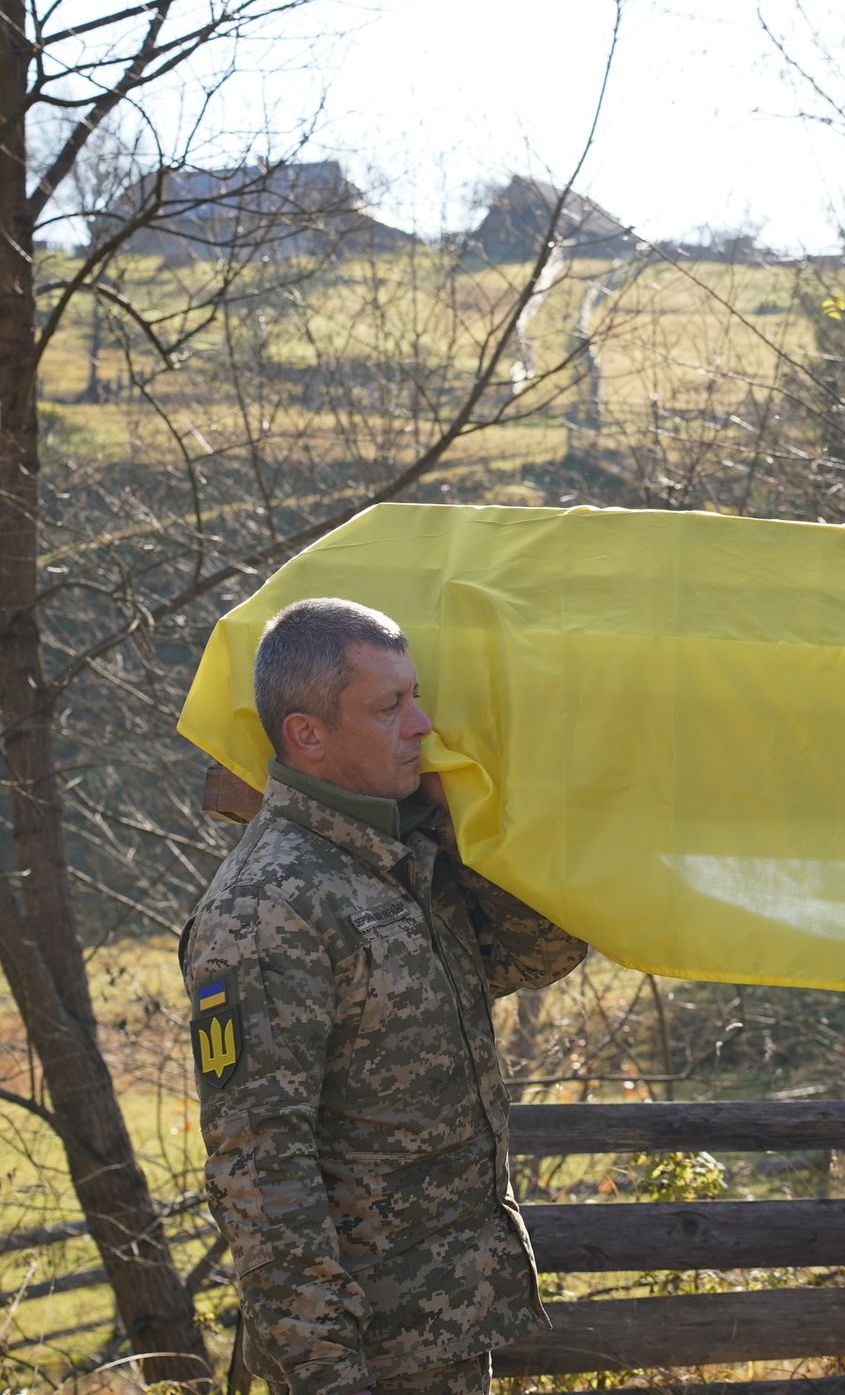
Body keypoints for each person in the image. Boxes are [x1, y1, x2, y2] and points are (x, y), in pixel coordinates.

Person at [181, 598, 589, 1395]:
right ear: (308, 734)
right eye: (390, 706)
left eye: (417, 697)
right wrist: (329, 1374)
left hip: (448, 1327)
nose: (423, 726)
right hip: (364, 1355)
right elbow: (261, 1171)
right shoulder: (267, 908)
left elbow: (543, 952)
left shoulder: (403, 854)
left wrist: (464, 829)